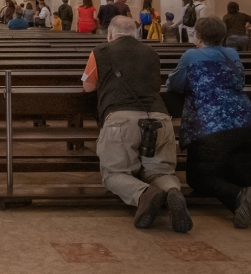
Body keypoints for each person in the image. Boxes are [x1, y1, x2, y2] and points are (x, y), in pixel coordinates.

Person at [167, 17, 251, 230]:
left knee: (200, 177)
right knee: (240, 171)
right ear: (222, 35)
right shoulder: (232, 54)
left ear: (198, 36)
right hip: (247, 125)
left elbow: (175, 84)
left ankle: (237, 197)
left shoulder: (191, 55)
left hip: (211, 129)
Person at [82, 16, 192, 232]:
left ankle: (144, 194)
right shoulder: (151, 53)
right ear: (136, 33)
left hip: (121, 119)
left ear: (110, 34)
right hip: (159, 118)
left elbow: (88, 86)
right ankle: (172, 193)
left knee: (114, 174)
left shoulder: (100, 52)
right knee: (161, 172)